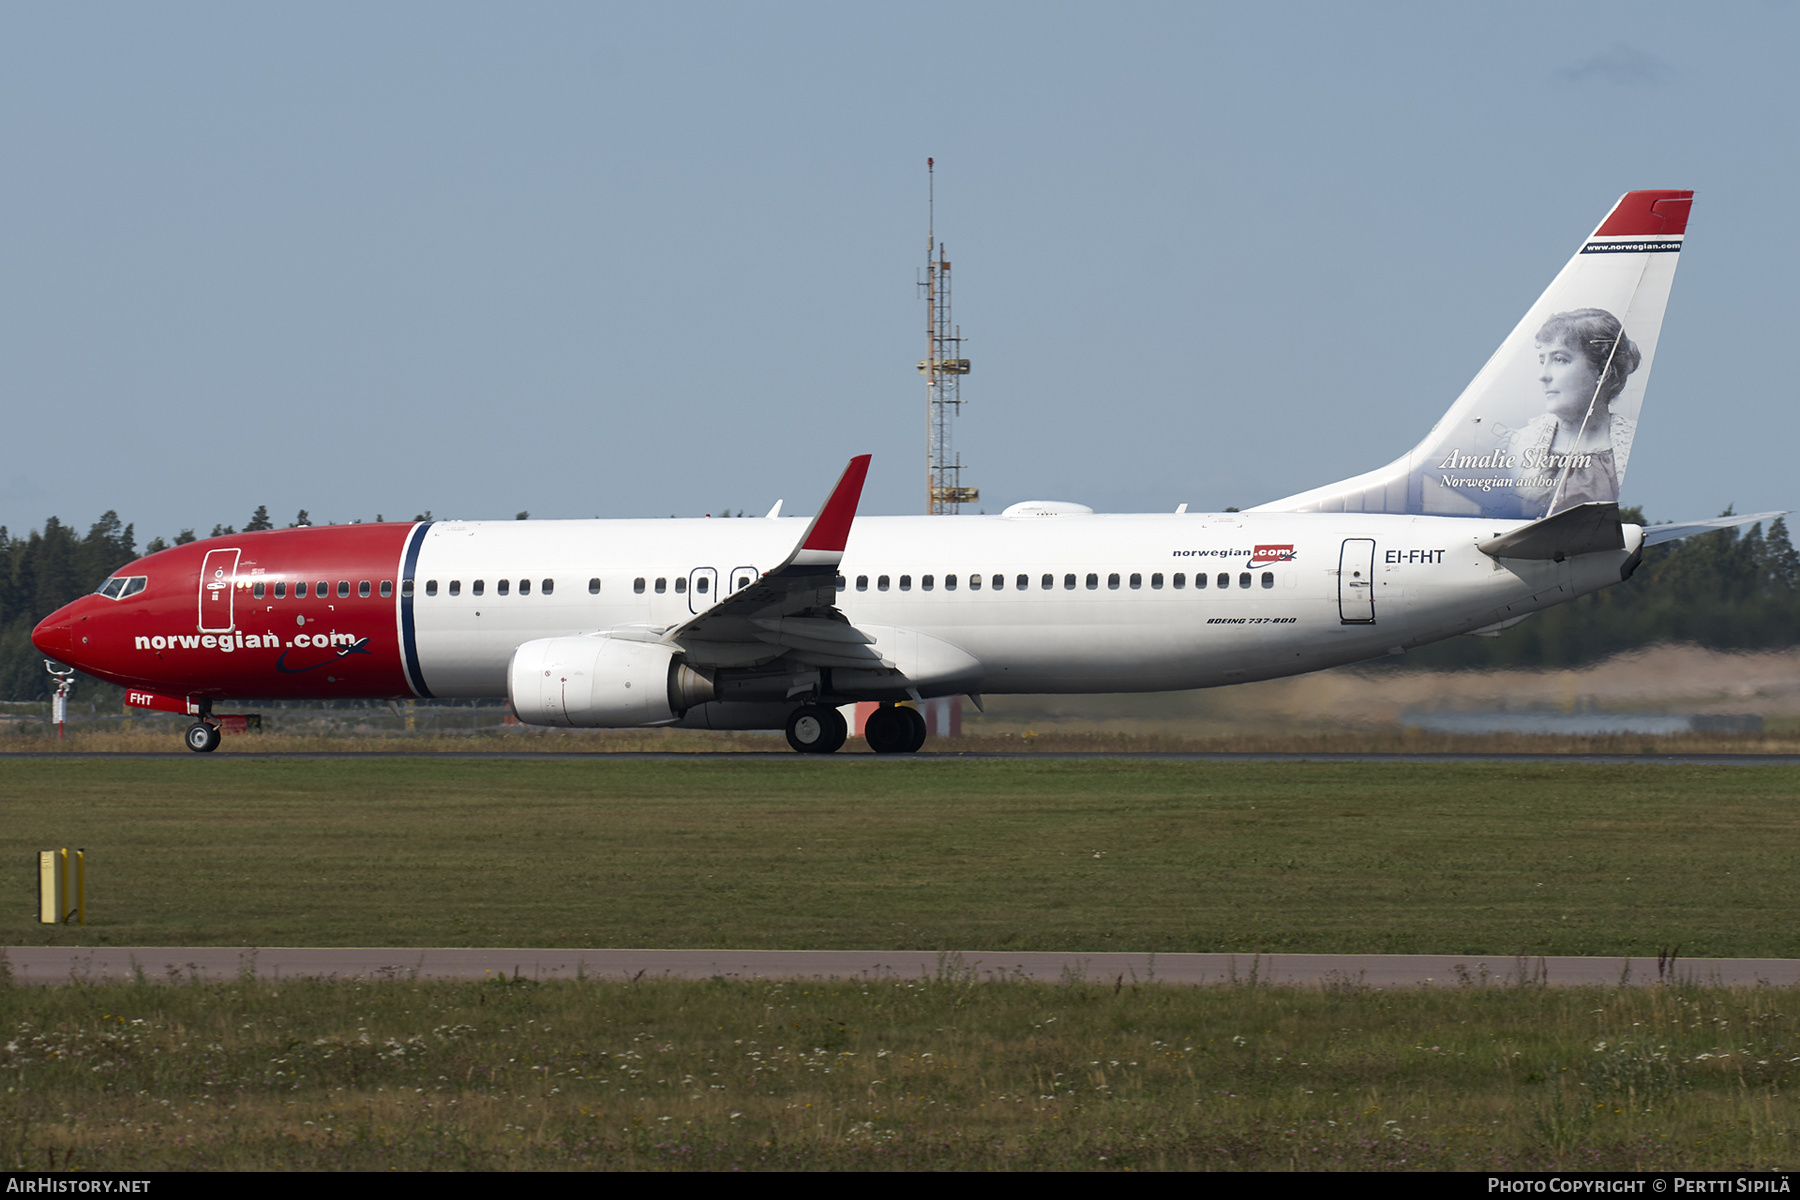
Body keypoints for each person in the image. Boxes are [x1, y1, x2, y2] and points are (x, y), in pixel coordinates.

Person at [1500, 307, 1641, 512]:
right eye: (1542, 360)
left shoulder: (1630, 446)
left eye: (1559, 359)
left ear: (1602, 370)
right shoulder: (1517, 445)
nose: (1543, 375)